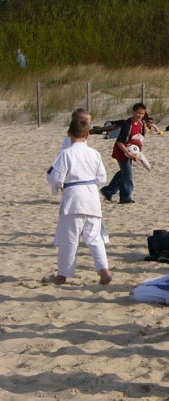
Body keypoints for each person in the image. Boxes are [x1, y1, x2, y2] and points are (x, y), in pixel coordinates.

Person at [43, 118, 112, 286]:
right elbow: (102, 178)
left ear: (69, 134)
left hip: (73, 198)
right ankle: (104, 270)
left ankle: (62, 276)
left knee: (69, 239)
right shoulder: (94, 153)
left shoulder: (66, 153)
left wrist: (59, 187)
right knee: (94, 237)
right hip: (92, 197)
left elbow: (56, 178)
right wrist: (90, 186)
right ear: (88, 135)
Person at [101, 103, 147, 204]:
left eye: (142, 113)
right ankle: (125, 197)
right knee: (127, 174)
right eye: (138, 113)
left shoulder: (141, 124)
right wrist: (128, 154)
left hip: (131, 151)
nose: (140, 115)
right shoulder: (127, 125)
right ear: (133, 112)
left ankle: (108, 190)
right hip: (121, 151)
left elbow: (139, 138)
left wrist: (137, 152)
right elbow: (119, 142)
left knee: (124, 172)